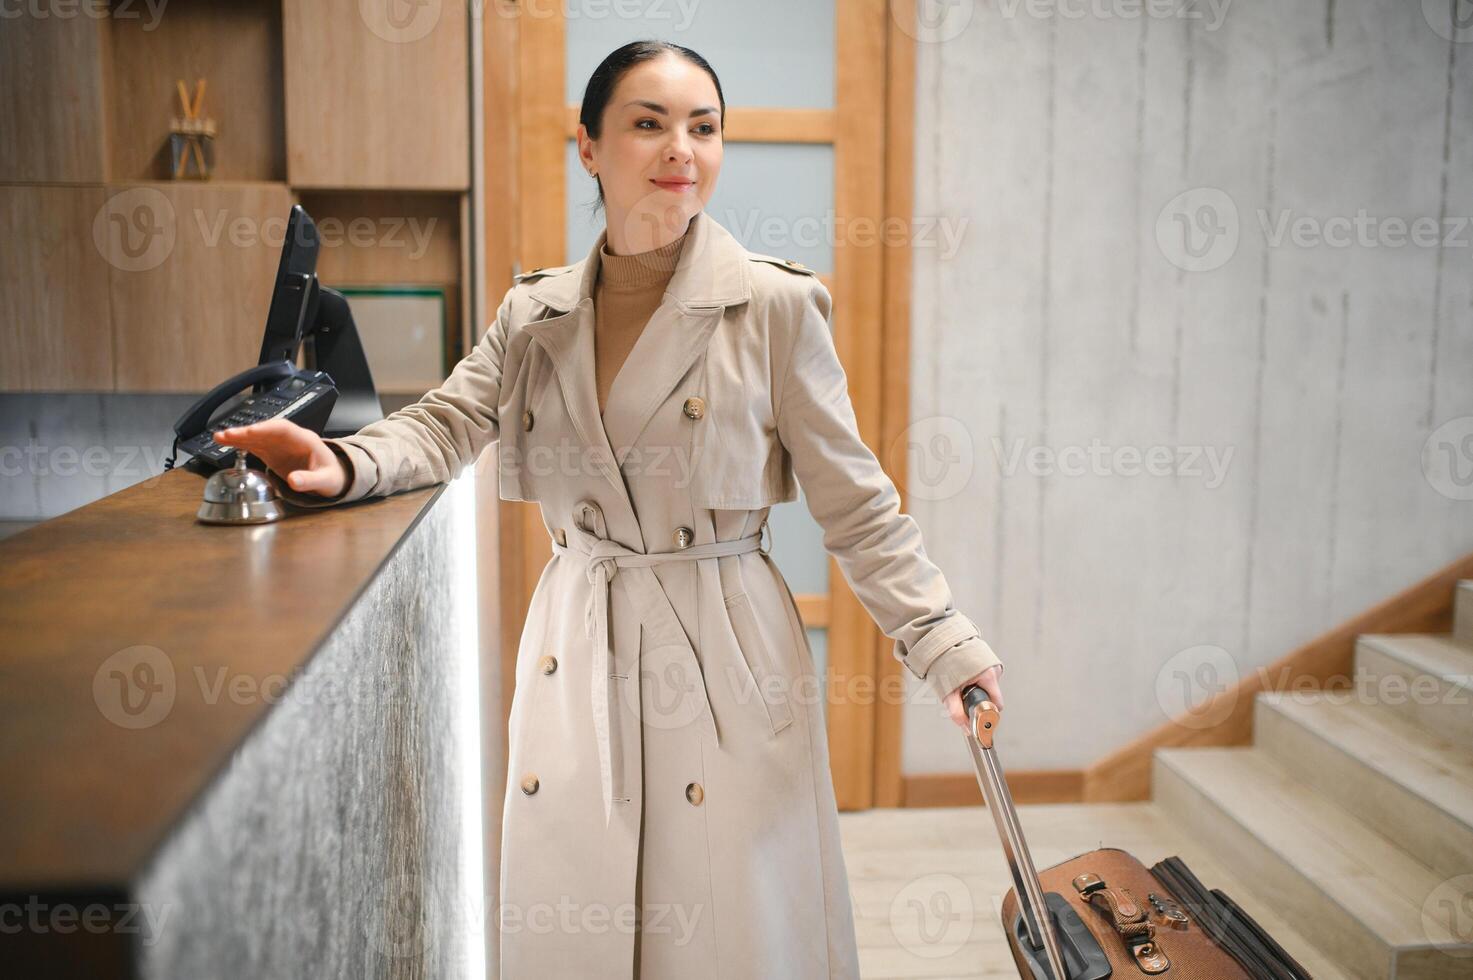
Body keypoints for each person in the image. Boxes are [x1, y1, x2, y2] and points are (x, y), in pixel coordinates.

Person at [213, 39, 1004, 980]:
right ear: (587, 147)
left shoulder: (773, 308)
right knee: (581, 917)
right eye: (648, 123)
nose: (681, 148)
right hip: (579, 639)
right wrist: (339, 461)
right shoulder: (534, 316)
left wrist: (944, 645)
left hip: (725, 650)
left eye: (703, 127)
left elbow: (858, 508)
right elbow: (444, 425)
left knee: (730, 929)